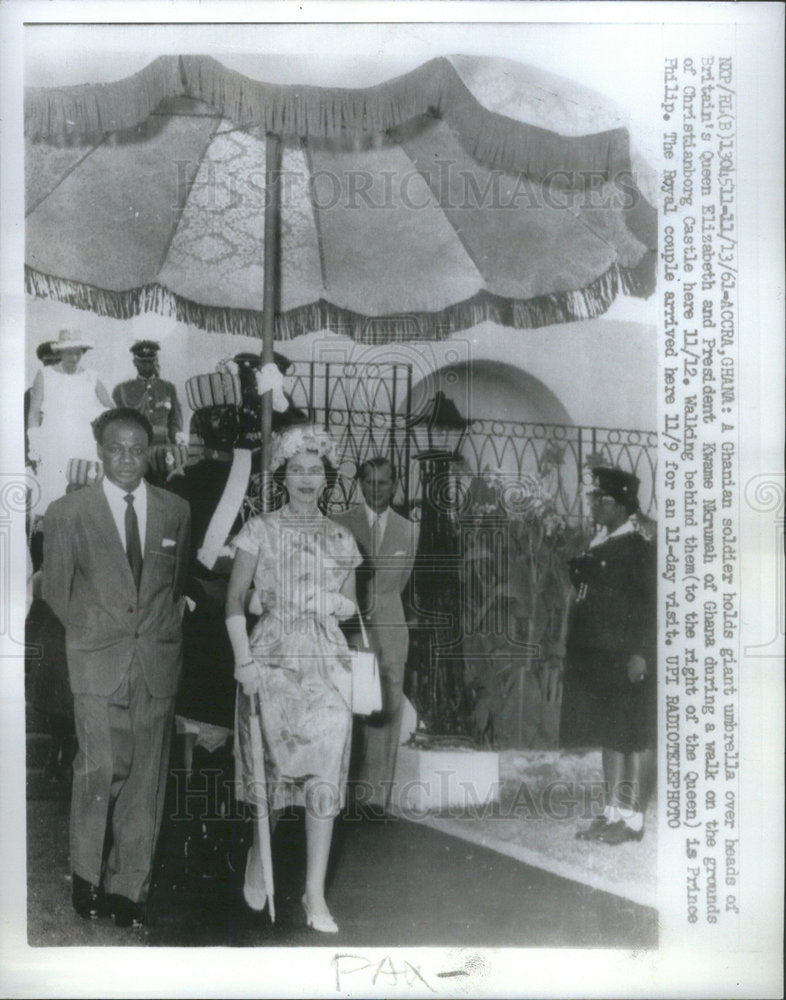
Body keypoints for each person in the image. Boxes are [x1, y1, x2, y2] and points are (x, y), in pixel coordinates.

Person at [42, 408, 190, 927]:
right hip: (96, 663)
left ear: (148, 451)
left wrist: (158, 627)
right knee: (98, 769)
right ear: (100, 451)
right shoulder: (68, 513)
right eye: (116, 448)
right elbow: (56, 591)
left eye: (135, 449)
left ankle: (130, 885)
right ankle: (87, 875)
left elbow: (173, 585)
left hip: (156, 660)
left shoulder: (175, 510)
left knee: (147, 779)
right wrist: (92, 630)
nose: (126, 459)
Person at [225, 425, 361, 933]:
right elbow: (236, 598)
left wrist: (337, 603)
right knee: (275, 771)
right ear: (283, 475)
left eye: (316, 470)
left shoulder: (342, 536)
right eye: (297, 470)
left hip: (327, 663)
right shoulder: (258, 529)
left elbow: (352, 605)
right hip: (272, 661)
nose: (307, 479)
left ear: (328, 477)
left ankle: (313, 894)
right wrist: (244, 659)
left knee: (324, 773)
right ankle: (261, 858)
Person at [560, 466, 656, 845]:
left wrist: (642, 655)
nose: (593, 504)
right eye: (592, 497)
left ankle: (632, 821)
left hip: (627, 656)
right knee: (611, 735)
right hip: (600, 657)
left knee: (634, 737)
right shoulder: (602, 540)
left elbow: (650, 607)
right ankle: (612, 813)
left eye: (600, 499)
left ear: (620, 505)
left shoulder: (637, 546)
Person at [332, 457, 418, 814]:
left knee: (387, 707)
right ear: (360, 485)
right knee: (348, 707)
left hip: (391, 629)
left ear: (395, 485)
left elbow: (402, 581)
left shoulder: (409, 530)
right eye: (369, 482)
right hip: (351, 628)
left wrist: (383, 606)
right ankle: (343, 793)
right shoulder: (340, 523)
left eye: (383, 483)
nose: (375, 489)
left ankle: (374, 800)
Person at [27, 329, 114, 514]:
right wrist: (34, 443)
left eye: (78, 352)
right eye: (69, 352)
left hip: (82, 442)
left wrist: (94, 415)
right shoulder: (45, 374)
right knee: (54, 493)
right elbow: (34, 412)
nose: (74, 357)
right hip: (53, 441)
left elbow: (112, 410)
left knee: (82, 490)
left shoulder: (91, 376)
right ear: (59, 352)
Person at [112, 340, 184, 446]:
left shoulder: (168, 388)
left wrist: (176, 435)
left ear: (156, 361)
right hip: (134, 447)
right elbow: (118, 424)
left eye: (150, 361)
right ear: (135, 362)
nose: (146, 366)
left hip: (163, 448)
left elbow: (175, 421)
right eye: (142, 362)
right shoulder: (121, 390)